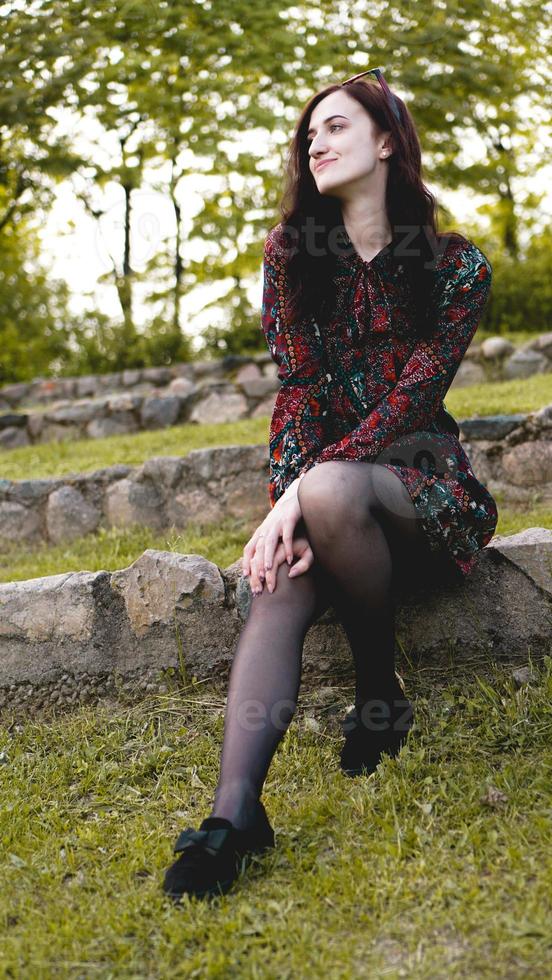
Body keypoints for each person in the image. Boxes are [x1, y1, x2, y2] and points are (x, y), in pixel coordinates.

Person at [162, 67, 498, 903]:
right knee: (284, 578)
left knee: (338, 493)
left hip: (419, 488)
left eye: (337, 127)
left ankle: (378, 690)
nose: (316, 141)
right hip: (323, 486)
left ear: (387, 141)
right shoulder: (291, 260)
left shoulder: (456, 267)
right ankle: (236, 816)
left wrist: (299, 493)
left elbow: (412, 402)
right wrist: (294, 498)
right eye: (309, 133)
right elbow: (299, 393)